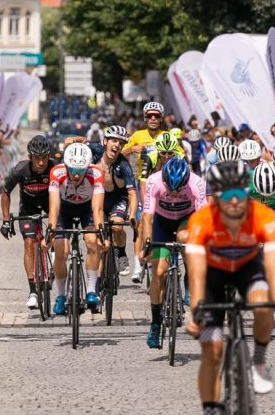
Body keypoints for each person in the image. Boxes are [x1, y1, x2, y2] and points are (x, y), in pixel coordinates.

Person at [185, 161, 275, 415]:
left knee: (263, 303)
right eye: (226, 193)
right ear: (216, 196)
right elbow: (195, 273)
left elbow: (273, 267)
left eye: (240, 192)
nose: (234, 199)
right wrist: (195, 309)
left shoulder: (264, 215)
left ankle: (258, 362)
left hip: (248, 268)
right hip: (212, 275)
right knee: (212, 351)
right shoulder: (202, 221)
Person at [142, 156, 207, 348]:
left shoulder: (197, 183)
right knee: (159, 272)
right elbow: (147, 217)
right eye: (171, 189)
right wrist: (147, 244)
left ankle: (188, 280)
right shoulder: (154, 181)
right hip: (161, 222)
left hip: (187, 219)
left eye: (179, 189)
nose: (175, 193)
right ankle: (155, 323)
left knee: (185, 239)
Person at [44, 142, 105, 315]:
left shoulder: (96, 173)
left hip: (87, 209)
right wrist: (50, 233)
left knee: (93, 242)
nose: (76, 174)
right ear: (66, 165)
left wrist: (101, 233)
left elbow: (98, 209)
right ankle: (61, 295)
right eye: (73, 169)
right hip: (65, 210)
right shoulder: (57, 172)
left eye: (81, 170)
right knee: (61, 251)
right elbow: (54, 208)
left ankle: (92, 290)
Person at [1, 135, 59, 309]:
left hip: (51, 205)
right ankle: (33, 290)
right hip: (28, 207)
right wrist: (5, 221)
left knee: (58, 235)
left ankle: (56, 257)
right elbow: (5, 193)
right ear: (30, 157)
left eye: (44, 158)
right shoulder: (20, 170)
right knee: (29, 243)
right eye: (37, 158)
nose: (41, 163)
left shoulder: (55, 169)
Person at [133, 131, 184, 283]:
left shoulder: (181, 158)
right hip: (152, 191)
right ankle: (139, 263)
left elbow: (188, 180)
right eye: (163, 153)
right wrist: (146, 207)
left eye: (170, 153)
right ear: (158, 151)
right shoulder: (151, 158)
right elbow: (143, 184)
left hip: (172, 193)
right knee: (143, 222)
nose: (167, 156)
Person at [92, 126, 138, 276]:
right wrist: (73, 140)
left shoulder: (124, 165)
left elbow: (132, 193)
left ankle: (122, 253)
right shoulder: (94, 151)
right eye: (114, 141)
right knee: (97, 240)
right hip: (97, 199)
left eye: (121, 143)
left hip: (118, 199)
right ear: (105, 141)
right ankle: (97, 284)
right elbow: (78, 144)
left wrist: (132, 215)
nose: (117, 145)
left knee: (117, 226)